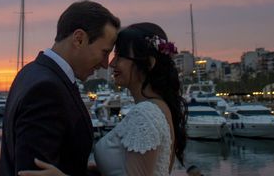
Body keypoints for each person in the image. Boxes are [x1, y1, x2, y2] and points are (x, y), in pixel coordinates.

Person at [19, 22, 188, 176]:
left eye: (121, 56)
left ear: (148, 63)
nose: (112, 63)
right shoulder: (159, 107)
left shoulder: (145, 114)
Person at [0, 0, 120, 176]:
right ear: (79, 39)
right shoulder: (46, 89)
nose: (105, 64)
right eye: (104, 52)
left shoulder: (30, 73)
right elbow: (32, 172)